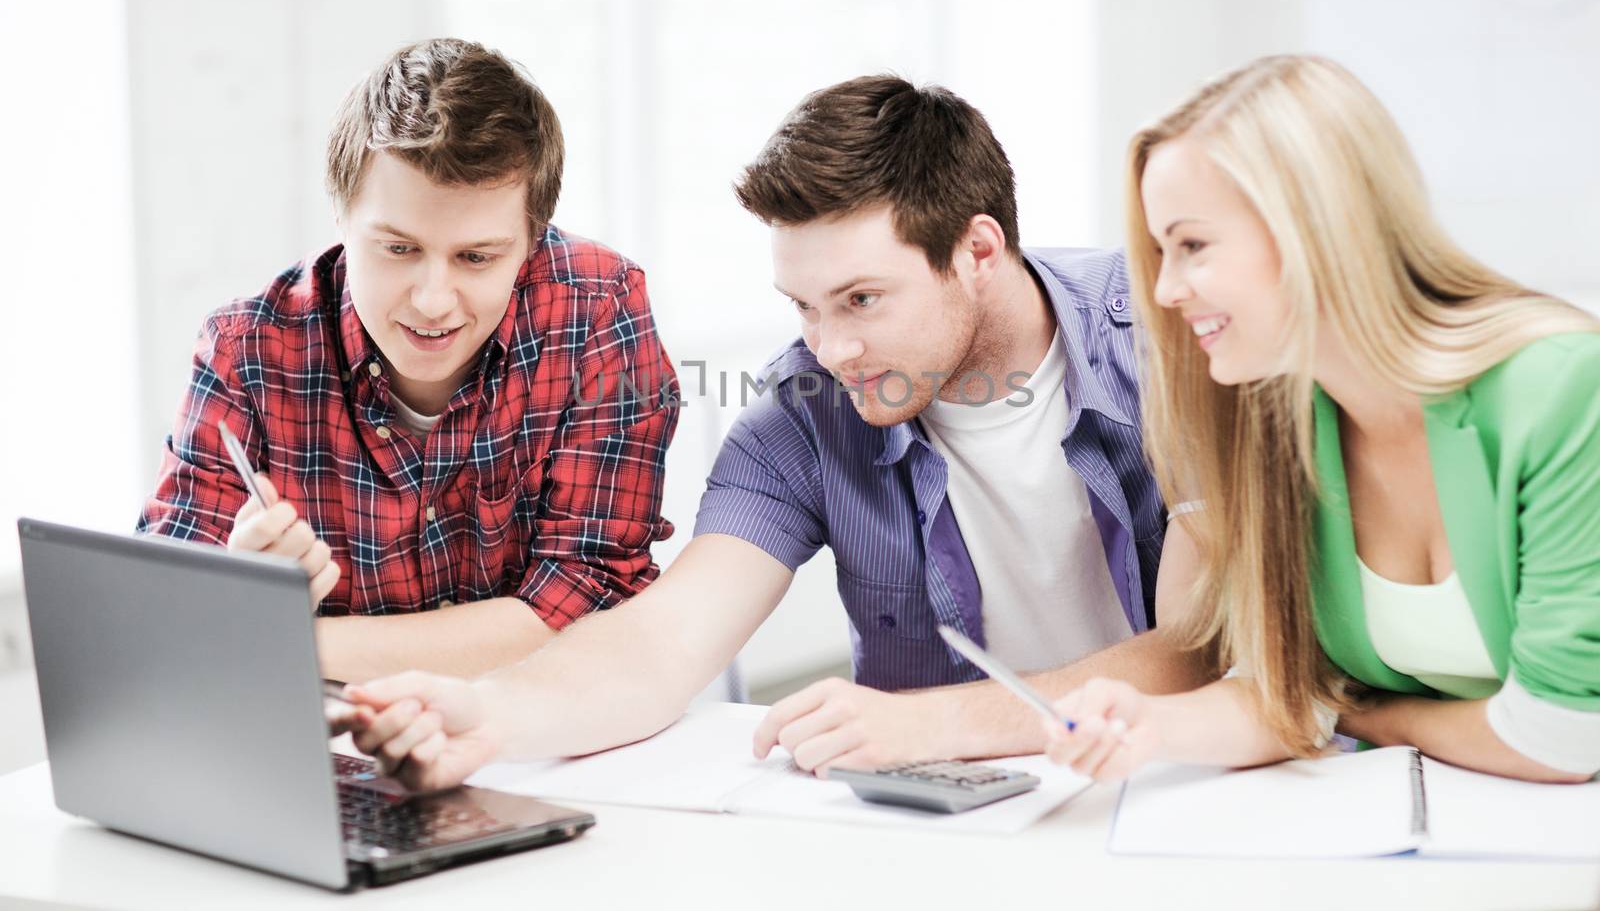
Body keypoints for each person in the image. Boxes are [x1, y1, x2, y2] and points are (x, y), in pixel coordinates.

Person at [339, 75, 1216, 790]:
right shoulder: (804, 409)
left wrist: (931, 721)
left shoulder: (1170, 344)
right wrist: (489, 715)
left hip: (1192, 787)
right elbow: (664, 638)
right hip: (969, 830)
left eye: (862, 299)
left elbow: (1204, 647)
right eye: (804, 305)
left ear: (978, 252)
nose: (831, 346)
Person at [1041, 54, 1600, 784]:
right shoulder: (1277, 417)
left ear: (1314, 227)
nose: (1167, 289)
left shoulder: (1559, 388)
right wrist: (1151, 722)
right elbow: (1288, 693)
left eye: (1193, 245)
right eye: (1158, 251)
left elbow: (1561, 737)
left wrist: (1374, 717)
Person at [138, 38, 679, 683]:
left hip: (539, 731)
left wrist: (283, 640)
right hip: (337, 745)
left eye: (476, 258)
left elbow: (590, 599)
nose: (432, 300)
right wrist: (236, 597)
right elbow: (165, 626)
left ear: (532, 243)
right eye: (398, 249)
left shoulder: (597, 307)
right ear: (340, 215)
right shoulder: (247, 349)